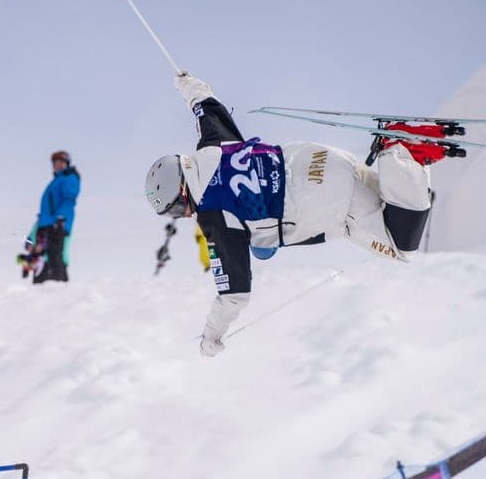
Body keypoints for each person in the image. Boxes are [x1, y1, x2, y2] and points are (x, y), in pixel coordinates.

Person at [145, 73, 434, 357]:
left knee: (400, 246)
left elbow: (235, 294)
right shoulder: (212, 145)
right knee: (390, 200)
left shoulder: (213, 216)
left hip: (328, 201)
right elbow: (205, 103)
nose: (182, 215)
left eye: (175, 208)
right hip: (324, 159)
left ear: (182, 190)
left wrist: (211, 336)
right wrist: (186, 83)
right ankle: (403, 155)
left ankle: (400, 150)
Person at [29, 150, 81, 283]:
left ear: (66, 164)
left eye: (61, 162)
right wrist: (33, 234)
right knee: (41, 258)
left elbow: (69, 199)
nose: (57, 165)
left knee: (55, 256)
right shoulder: (55, 182)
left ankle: (59, 289)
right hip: (46, 225)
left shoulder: (69, 178)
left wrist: (60, 219)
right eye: (55, 163)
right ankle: (40, 292)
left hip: (57, 225)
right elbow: (46, 210)